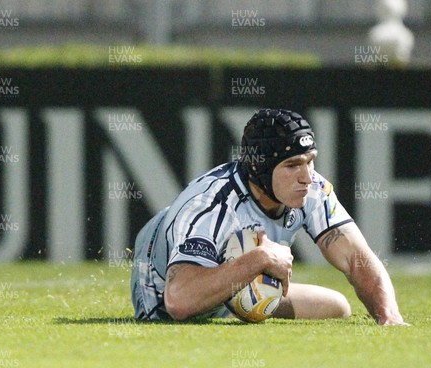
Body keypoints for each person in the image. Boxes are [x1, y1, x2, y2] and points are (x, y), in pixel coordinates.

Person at [130, 108, 408, 325]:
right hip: (162, 283)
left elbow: (357, 258)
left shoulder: (313, 189)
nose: (306, 177)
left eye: (310, 160)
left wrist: (389, 316)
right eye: (292, 165)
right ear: (260, 169)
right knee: (186, 313)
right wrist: (261, 259)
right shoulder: (211, 205)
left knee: (337, 306)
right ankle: (233, 300)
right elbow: (178, 301)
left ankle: (237, 304)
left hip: (227, 287)